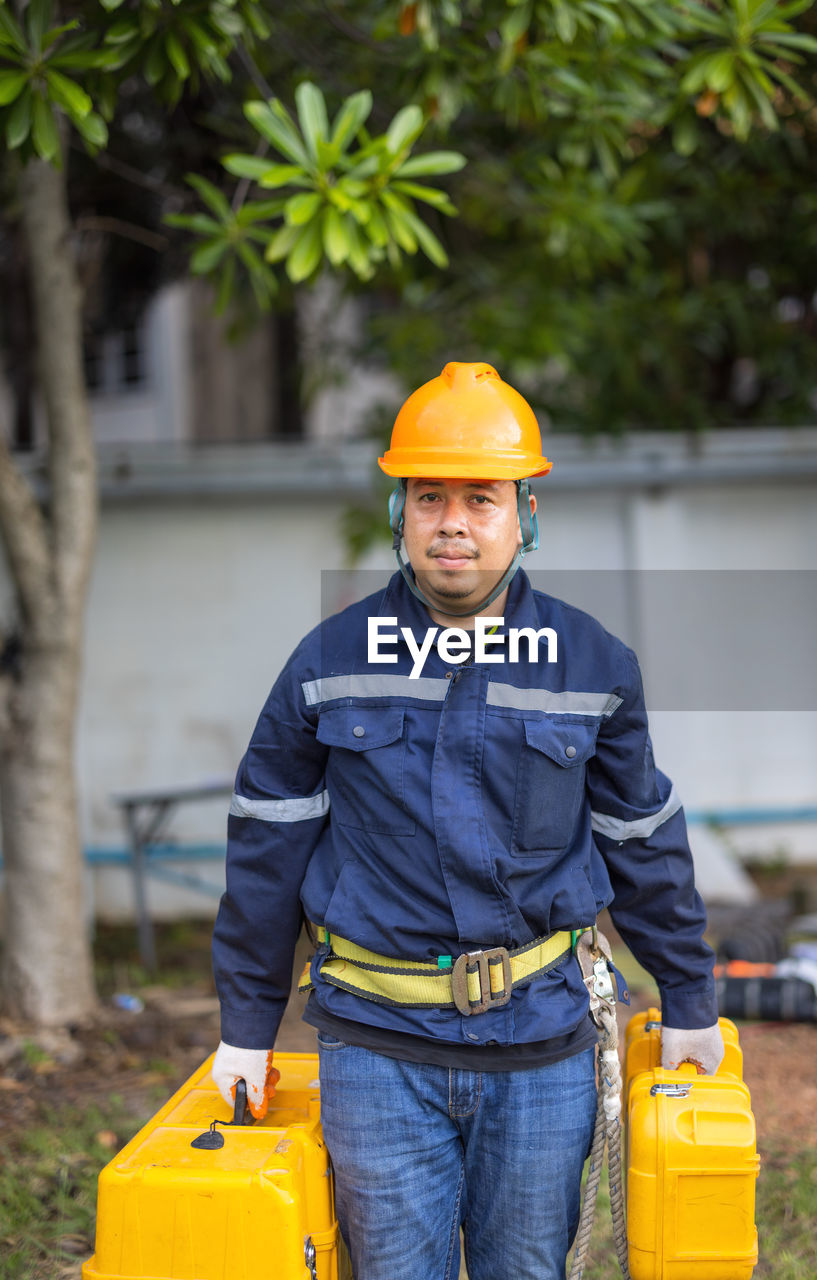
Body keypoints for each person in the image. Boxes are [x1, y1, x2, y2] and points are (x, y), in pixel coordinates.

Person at [211, 361, 723, 1280]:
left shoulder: (593, 665)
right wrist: (246, 1025)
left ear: (525, 516)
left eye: (481, 498)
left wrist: (688, 995)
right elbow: (267, 846)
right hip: (375, 1050)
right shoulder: (327, 663)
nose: (453, 521)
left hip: (541, 1050)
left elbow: (640, 836)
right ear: (399, 513)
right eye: (429, 496)